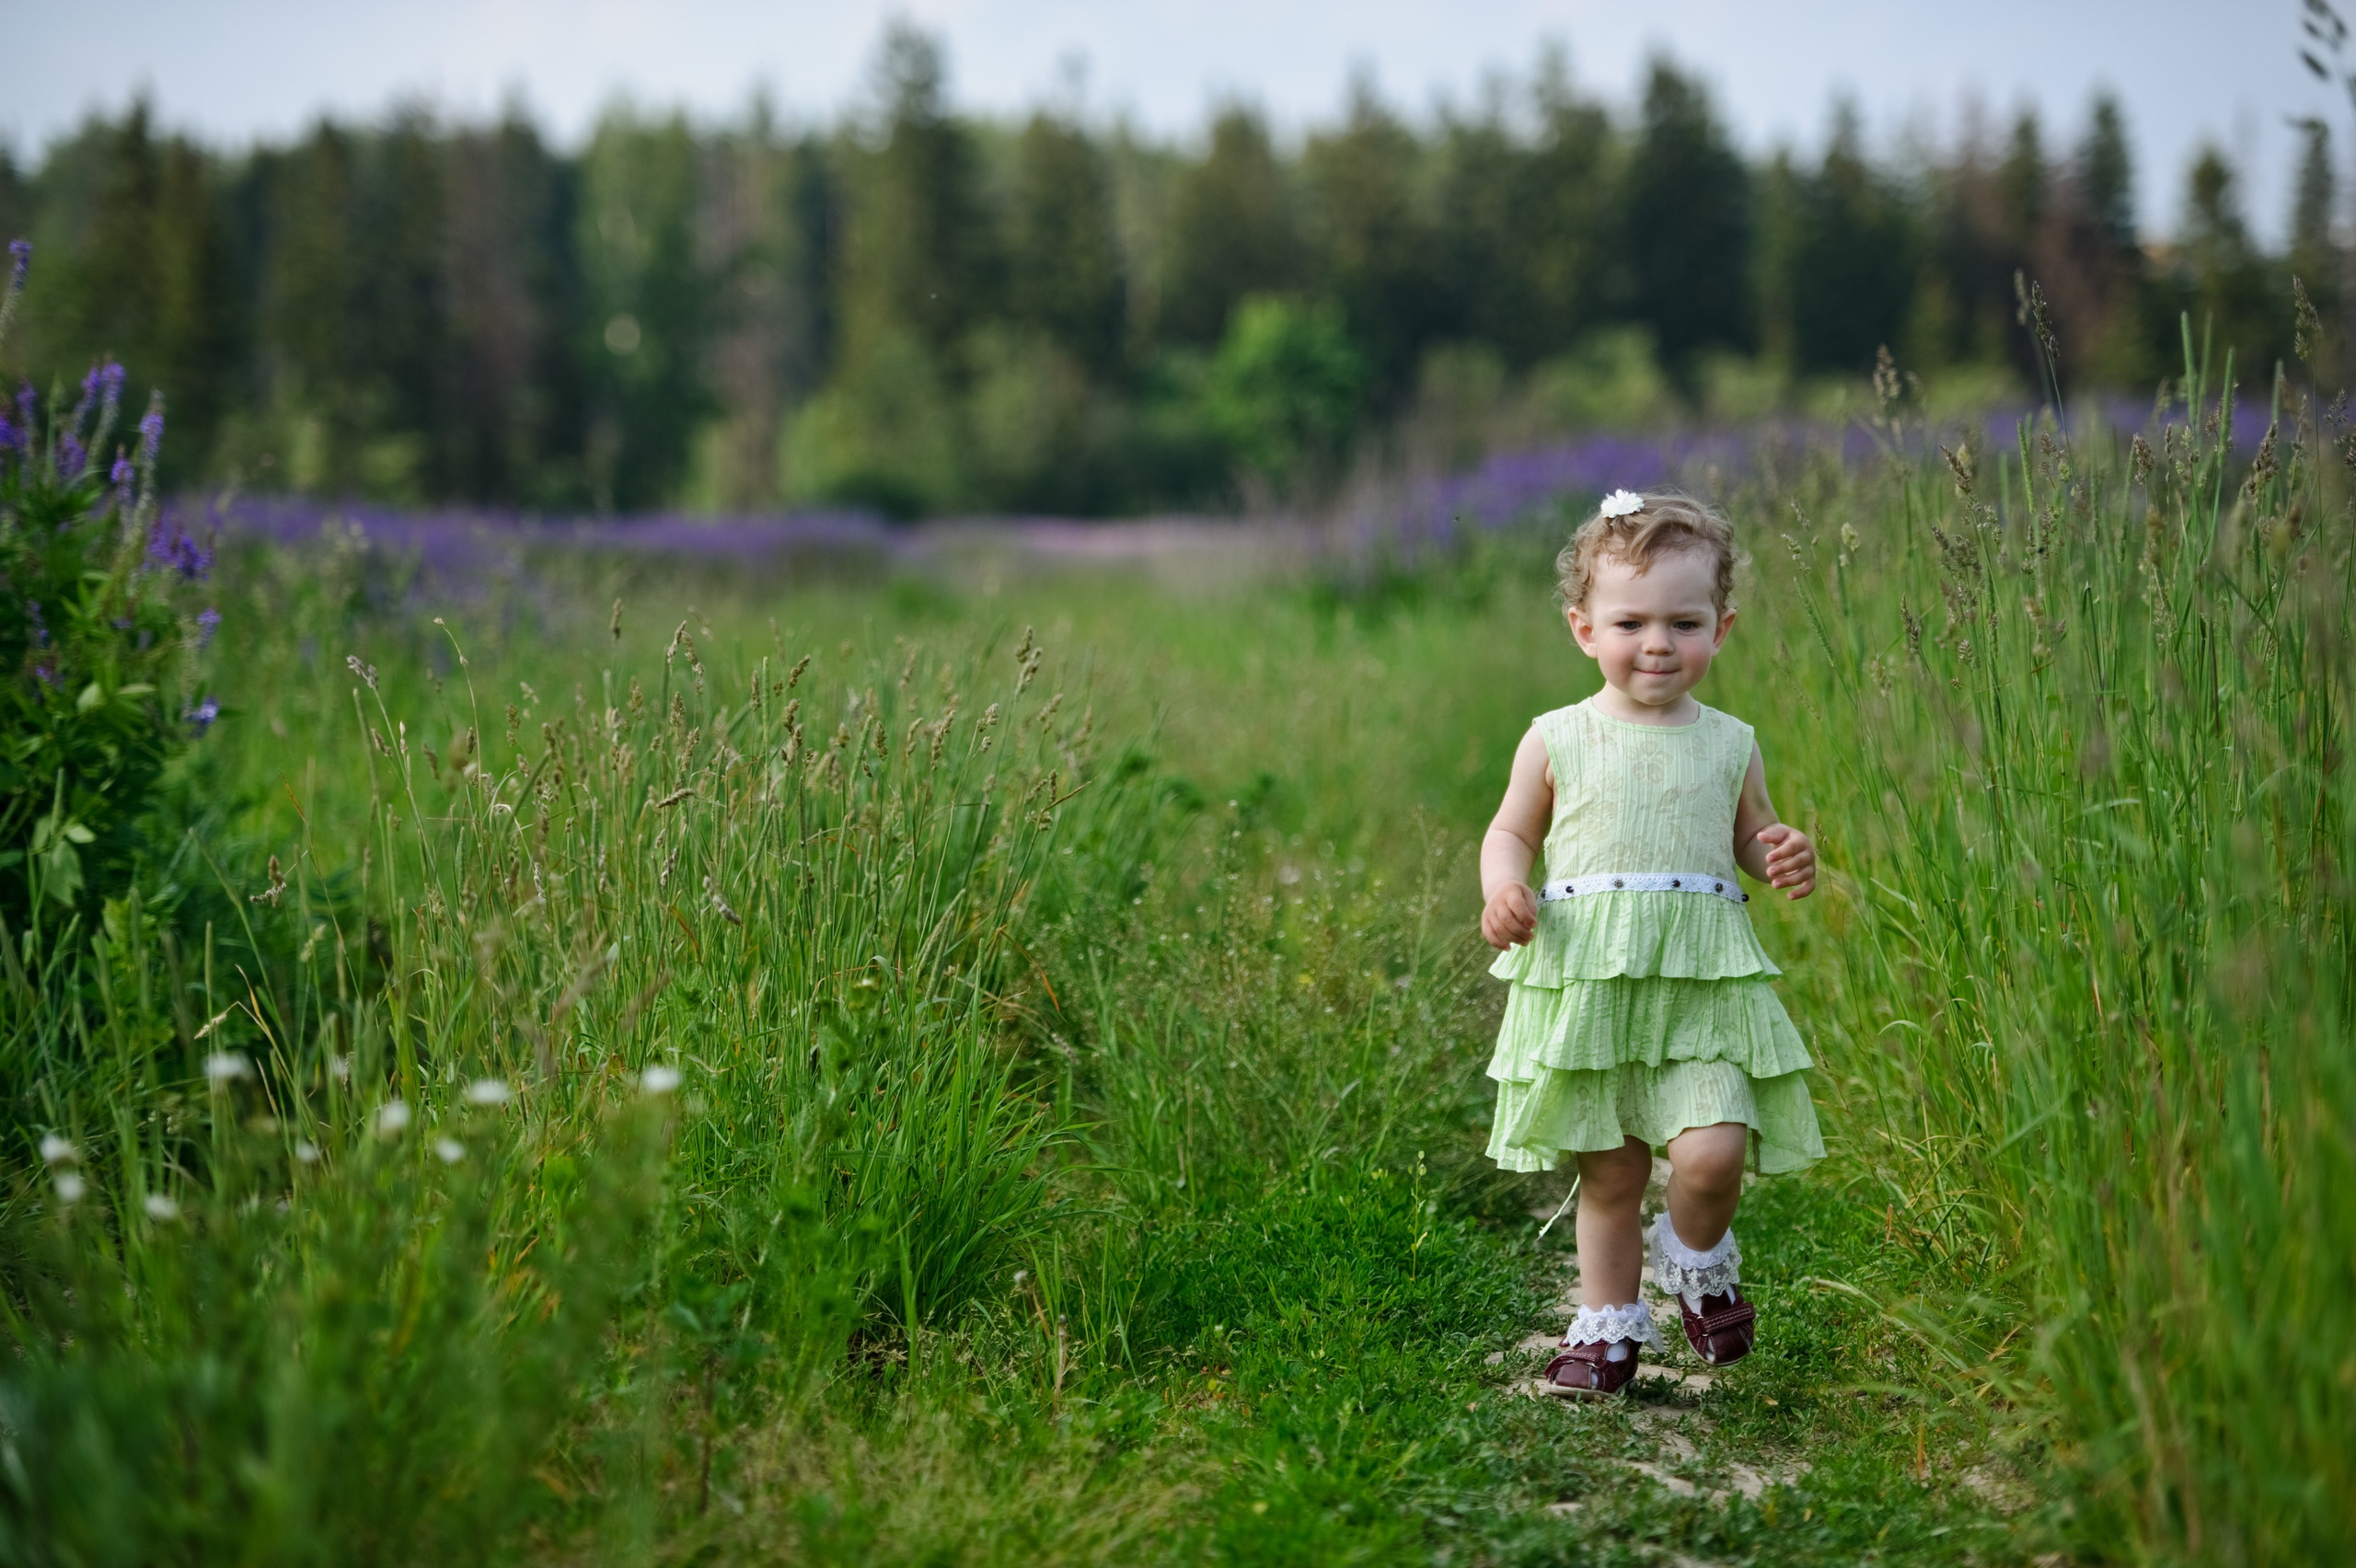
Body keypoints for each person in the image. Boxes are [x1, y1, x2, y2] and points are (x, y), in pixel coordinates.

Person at [1479, 488, 1824, 1398]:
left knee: (1709, 1152)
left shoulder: (1729, 743)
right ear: (1583, 628)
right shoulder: (1555, 738)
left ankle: (1698, 1261)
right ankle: (1607, 1333)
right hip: (1593, 981)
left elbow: (1750, 835)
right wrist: (1504, 887)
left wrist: (1780, 850)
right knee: (1613, 1171)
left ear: (1723, 627)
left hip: (1699, 984)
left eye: (1684, 621)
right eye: (1630, 621)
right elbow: (1510, 831)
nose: (1658, 643)